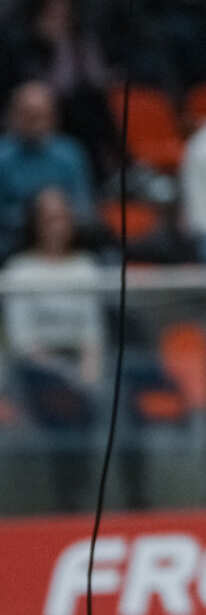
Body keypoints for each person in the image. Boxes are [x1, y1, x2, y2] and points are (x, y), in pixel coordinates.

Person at [4, 187, 107, 511]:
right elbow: (22, 340)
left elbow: (92, 331)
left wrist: (87, 373)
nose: (57, 225)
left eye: (62, 217)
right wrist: (63, 374)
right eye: (49, 218)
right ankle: (62, 503)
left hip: (79, 367)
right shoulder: (19, 271)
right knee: (59, 400)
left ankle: (88, 501)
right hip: (34, 370)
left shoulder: (86, 267)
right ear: (34, 223)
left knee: (114, 398)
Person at [0, 82, 94, 261]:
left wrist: (57, 215)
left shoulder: (71, 153)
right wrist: (36, 216)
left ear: (53, 116)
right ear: (14, 116)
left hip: (65, 231)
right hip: (13, 236)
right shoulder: (2, 157)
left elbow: (83, 204)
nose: (36, 122)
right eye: (30, 115)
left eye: (41, 115)